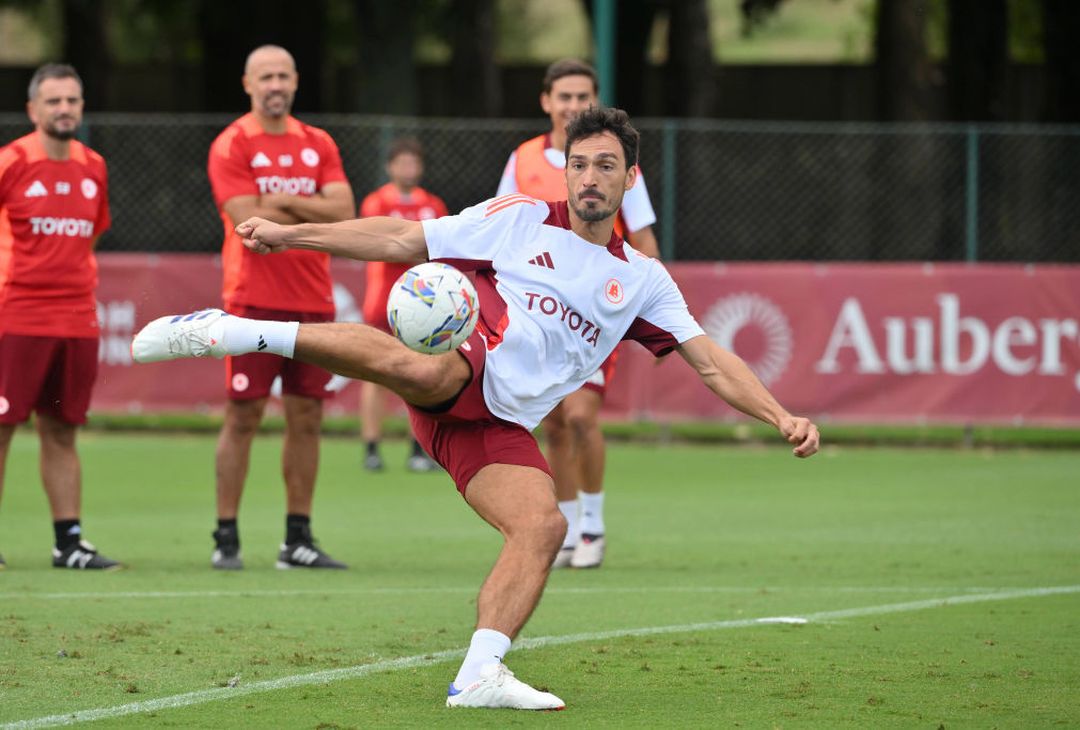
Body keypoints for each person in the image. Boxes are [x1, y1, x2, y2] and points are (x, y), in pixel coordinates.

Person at [132, 106, 820, 710]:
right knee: (421, 364)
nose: (589, 177)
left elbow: (709, 360)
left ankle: (479, 673)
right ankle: (234, 330)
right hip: (463, 367)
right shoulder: (518, 220)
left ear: (628, 180)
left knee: (544, 528)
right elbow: (403, 239)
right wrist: (291, 236)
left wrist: (779, 415)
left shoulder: (643, 281)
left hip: (493, 424)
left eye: (605, 166)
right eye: (578, 164)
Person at [497, 59, 661, 569]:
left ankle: (593, 523)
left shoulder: (613, 162)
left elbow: (646, 237)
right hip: (536, 313)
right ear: (546, 101)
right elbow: (502, 230)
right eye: (563, 96)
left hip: (595, 310)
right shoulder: (522, 159)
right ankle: (565, 523)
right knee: (552, 422)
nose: (571, 105)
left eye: (581, 97)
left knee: (582, 417)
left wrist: (655, 306)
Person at [205, 45, 355, 570]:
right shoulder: (232, 143)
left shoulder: (318, 142)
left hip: (312, 300)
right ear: (247, 83)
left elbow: (344, 210)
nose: (275, 84)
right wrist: (306, 204)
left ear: (295, 82)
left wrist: (284, 205)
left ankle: (298, 539)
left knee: (307, 417)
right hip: (251, 299)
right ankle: (226, 535)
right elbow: (246, 220)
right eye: (265, 76)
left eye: (283, 76)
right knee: (243, 415)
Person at [0, 63, 120, 570]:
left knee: (62, 428)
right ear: (33, 110)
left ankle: (68, 541)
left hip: (76, 317)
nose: (64, 109)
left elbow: (91, 233)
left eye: (72, 100)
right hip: (16, 315)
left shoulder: (93, 165)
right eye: (54, 101)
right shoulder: (10, 162)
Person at [358, 137, 446, 473]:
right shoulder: (376, 201)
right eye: (402, 163)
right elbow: (378, 242)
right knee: (375, 376)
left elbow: (438, 246)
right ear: (390, 167)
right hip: (384, 299)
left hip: (423, 304)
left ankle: (419, 449)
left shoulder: (433, 205)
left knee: (424, 375)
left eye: (413, 163)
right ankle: (371, 448)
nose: (408, 169)